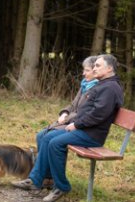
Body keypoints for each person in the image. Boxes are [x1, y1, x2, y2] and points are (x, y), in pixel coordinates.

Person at [12, 54, 124, 202]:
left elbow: (98, 115)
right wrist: (70, 119)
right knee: (46, 137)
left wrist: (77, 124)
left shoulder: (110, 88)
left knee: (55, 143)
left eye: (98, 66)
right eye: (94, 65)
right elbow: (83, 108)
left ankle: (61, 187)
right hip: (84, 129)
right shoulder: (103, 84)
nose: (95, 68)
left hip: (91, 134)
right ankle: (37, 180)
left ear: (109, 68)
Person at [34, 56, 98, 187]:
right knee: (41, 135)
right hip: (72, 122)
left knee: (48, 137)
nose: (83, 73)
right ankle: (48, 177)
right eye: (84, 70)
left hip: (80, 127)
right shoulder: (85, 85)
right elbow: (73, 105)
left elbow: (84, 114)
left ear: (95, 71)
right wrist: (64, 112)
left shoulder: (96, 89)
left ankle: (49, 179)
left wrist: (67, 119)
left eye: (87, 70)